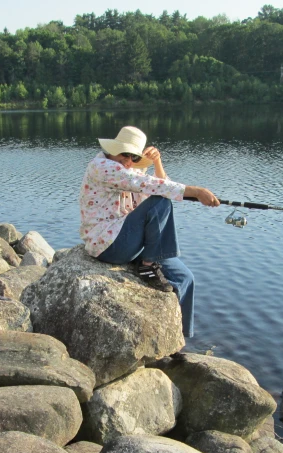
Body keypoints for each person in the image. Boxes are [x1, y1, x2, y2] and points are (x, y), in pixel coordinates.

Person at [79, 126, 220, 339]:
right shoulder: (101, 166)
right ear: (113, 149)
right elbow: (154, 189)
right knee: (159, 203)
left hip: (130, 244)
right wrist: (196, 191)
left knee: (185, 278)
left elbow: (162, 186)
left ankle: (179, 340)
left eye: (134, 157)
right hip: (108, 245)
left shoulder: (129, 171)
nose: (128, 160)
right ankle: (147, 267)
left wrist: (157, 163)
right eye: (125, 154)